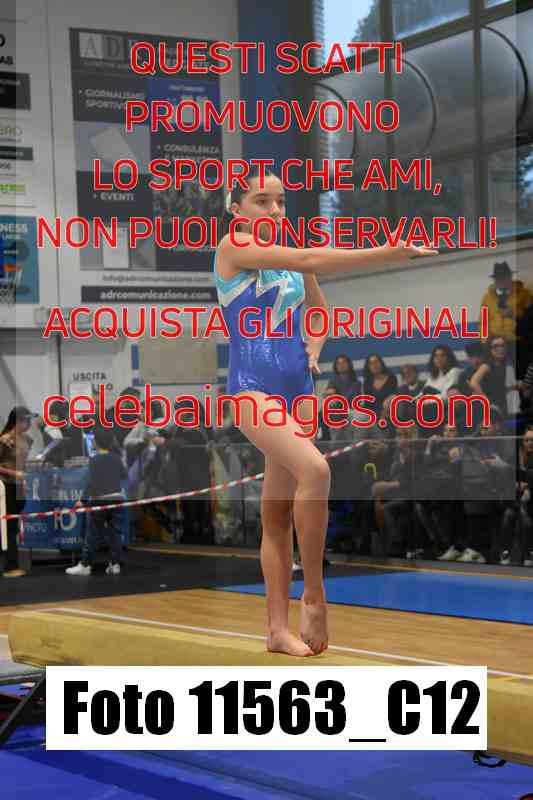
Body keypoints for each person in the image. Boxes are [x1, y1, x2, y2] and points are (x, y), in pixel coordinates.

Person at [213, 166, 438, 657]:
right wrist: (387, 253)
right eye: (261, 201)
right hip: (253, 389)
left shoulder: (290, 256)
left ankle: (276, 630)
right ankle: (313, 594)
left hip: (298, 388)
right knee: (316, 470)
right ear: (236, 208)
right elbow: (311, 257)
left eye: (280, 201)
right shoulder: (233, 247)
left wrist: (314, 348)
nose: (275, 210)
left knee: (276, 515)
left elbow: (319, 309)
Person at [66, 426, 127, 576]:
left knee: (93, 532)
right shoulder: (116, 457)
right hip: (117, 499)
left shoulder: (94, 460)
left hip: (100, 501)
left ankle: (85, 565)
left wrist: (82, 500)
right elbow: (124, 475)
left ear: (96, 442)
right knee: (116, 533)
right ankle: (114, 564)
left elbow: (91, 483)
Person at [480, 261, 532, 379]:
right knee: (494, 374)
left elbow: (530, 319)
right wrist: (485, 341)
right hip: (495, 342)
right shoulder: (487, 297)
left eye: (504, 277)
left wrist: (513, 314)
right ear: (494, 280)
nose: (501, 280)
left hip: (517, 341)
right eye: (498, 278)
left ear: (510, 277)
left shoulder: (524, 294)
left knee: (522, 373)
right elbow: (483, 321)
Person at [0, 407, 35, 577]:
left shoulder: (27, 439)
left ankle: (10, 564)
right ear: (17, 421)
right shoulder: (5, 440)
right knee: (9, 527)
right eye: (26, 420)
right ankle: (10, 567)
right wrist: (15, 474)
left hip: (19, 486)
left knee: (12, 526)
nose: (29, 424)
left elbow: (23, 463)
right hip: (6, 487)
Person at [362, 354, 398, 419]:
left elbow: (394, 396)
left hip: (389, 412)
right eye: (371, 363)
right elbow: (367, 404)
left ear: (381, 363)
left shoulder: (391, 378)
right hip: (372, 415)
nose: (374, 365)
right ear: (368, 367)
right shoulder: (367, 382)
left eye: (376, 361)